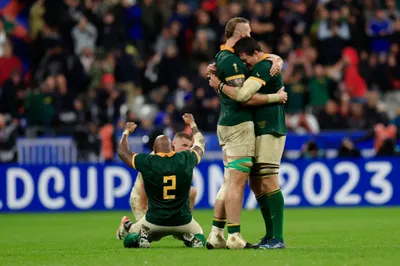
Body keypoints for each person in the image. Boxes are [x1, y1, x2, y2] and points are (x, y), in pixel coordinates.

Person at [206, 17, 283, 250]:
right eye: (248, 32)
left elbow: (243, 93)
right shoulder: (232, 60)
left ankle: (274, 237)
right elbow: (241, 95)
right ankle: (240, 235)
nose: (245, 64)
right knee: (247, 182)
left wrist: (217, 84)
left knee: (263, 180)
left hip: (268, 126)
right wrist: (276, 96)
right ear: (240, 36)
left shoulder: (259, 63)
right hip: (243, 126)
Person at [116, 114, 206, 248]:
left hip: (154, 221)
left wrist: (126, 132)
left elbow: (122, 152)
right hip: (182, 221)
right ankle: (190, 238)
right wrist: (192, 124)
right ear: (172, 147)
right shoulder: (186, 158)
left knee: (129, 239)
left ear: (154, 149)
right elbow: (200, 144)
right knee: (200, 235)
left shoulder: (147, 161)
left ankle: (139, 236)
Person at [129, 132, 198, 221]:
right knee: (147, 233)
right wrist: (144, 207)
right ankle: (127, 227)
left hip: (163, 200)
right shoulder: (156, 156)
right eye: (184, 145)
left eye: (190, 146)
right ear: (173, 145)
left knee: (192, 192)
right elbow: (144, 185)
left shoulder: (183, 160)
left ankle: (186, 220)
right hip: (143, 199)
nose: (187, 149)